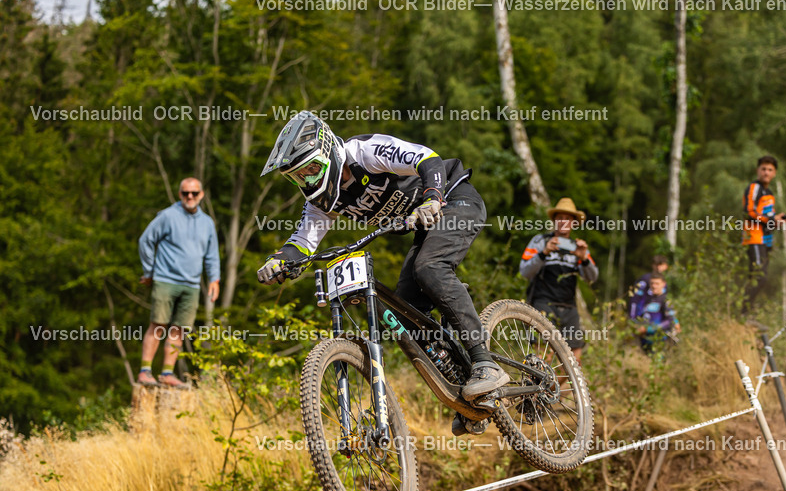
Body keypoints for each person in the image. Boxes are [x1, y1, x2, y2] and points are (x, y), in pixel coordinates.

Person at [255, 110, 509, 408]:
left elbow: (427, 159)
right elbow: (302, 243)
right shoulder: (322, 202)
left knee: (430, 268)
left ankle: (485, 362)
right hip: (424, 225)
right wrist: (279, 262)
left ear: (328, 153)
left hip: (453, 199)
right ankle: (469, 395)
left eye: (310, 168)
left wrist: (432, 197)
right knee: (405, 313)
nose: (307, 179)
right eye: (297, 175)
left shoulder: (365, 152)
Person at [138, 177, 221, 387]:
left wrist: (214, 279)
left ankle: (167, 374)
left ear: (201, 194)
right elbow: (145, 240)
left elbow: (212, 254)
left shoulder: (207, 223)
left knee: (179, 330)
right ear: (180, 194)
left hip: (191, 285)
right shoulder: (168, 216)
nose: (190, 197)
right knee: (158, 325)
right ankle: (145, 371)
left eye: (194, 193)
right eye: (185, 193)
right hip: (165, 279)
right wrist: (149, 271)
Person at [519, 197, 598, 362]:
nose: (563, 222)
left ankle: (553, 388)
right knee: (544, 357)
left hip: (569, 307)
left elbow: (592, 277)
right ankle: (538, 387)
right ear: (554, 220)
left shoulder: (578, 247)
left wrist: (583, 259)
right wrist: (543, 253)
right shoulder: (540, 241)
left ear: (574, 223)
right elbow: (525, 271)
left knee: (575, 360)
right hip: (543, 304)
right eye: (560, 218)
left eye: (568, 218)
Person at [742, 155, 786, 314]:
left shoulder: (770, 192)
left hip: (766, 239)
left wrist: (776, 221)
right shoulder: (755, 187)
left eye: (770, 170)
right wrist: (770, 219)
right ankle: (744, 312)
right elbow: (749, 211)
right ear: (757, 170)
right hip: (753, 237)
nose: (766, 173)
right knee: (759, 276)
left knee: (762, 277)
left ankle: (748, 311)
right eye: (763, 169)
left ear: (774, 173)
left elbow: (768, 218)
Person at [629, 273, 680, 352]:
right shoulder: (647, 299)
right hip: (645, 343)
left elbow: (670, 321)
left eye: (657, 283)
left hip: (661, 342)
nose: (654, 286)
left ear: (663, 284)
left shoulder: (666, 300)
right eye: (652, 283)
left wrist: (648, 329)